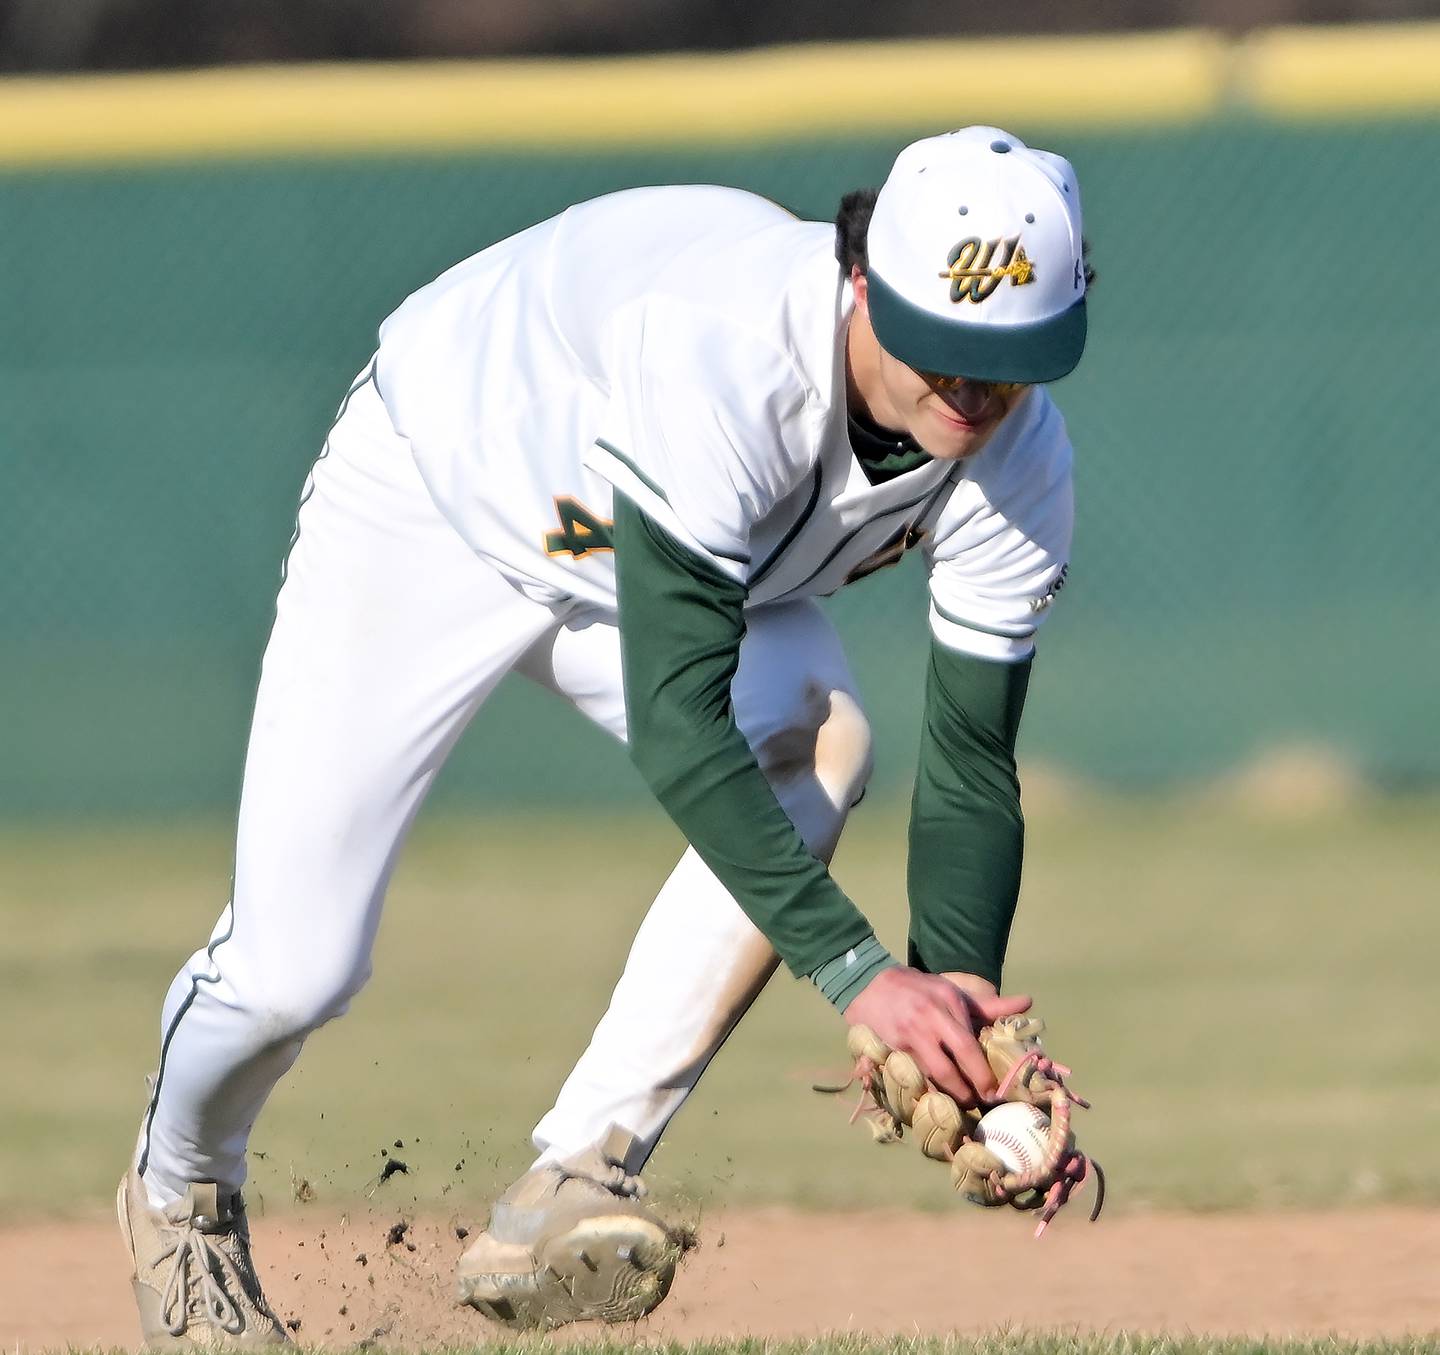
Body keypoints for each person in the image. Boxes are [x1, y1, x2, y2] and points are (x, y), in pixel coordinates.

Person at [118, 124, 1089, 1345]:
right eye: (944, 347)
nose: (972, 392)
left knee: (822, 735)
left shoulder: (1019, 455)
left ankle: (579, 1173)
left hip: (644, 562)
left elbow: (972, 754)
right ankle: (179, 1190)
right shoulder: (733, 353)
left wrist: (953, 990)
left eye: (1009, 359)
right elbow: (683, 723)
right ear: (863, 281)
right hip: (436, 498)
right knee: (289, 971)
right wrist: (858, 974)